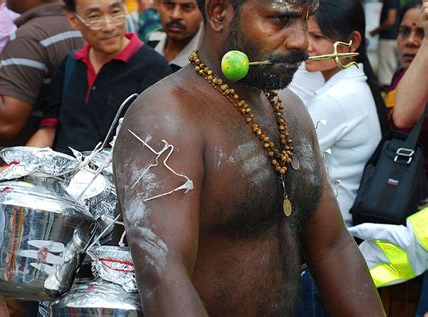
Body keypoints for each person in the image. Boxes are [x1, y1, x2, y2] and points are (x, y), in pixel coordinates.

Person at [112, 0, 385, 315]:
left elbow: (333, 248)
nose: (302, 41)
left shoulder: (291, 110)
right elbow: (164, 278)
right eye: (281, 19)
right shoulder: (166, 118)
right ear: (218, 13)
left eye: (306, 19)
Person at [297, 0, 387, 314]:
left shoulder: (338, 99)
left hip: (327, 251)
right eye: (305, 33)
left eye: (318, 37)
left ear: (353, 42)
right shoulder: (351, 87)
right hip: (338, 246)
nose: (305, 45)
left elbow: (285, 162)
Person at [26, 0, 172, 154]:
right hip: (63, 172)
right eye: (95, 17)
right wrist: (13, 168)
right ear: (73, 20)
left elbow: (156, 144)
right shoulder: (71, 63)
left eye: (115, 12)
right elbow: (48, 130)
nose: (109, 27)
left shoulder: (154, 68)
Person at [0, 0, 84, 161]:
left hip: (7, 166)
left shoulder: (29, 39)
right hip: (51, 158)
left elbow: (7, 124)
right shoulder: (79, 25)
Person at [393, 0, 428, 176]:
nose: (411, 41)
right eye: (404, 32)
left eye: (422, 32)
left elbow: (401, 118)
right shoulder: (399, 75)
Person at [147, 0, 202, 71]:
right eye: (169, 4)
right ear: (157, 5)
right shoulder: (153, 39)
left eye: (187, 7)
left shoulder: (210, 59)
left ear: (203, 11)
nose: (175, 15)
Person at [370, 0, 401, 89]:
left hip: (388, 39)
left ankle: (386, 93)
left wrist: (376, 31)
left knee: (386, 72)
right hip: (394, 38)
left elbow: (390, 21)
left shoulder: (391, 2)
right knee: (393, 68)